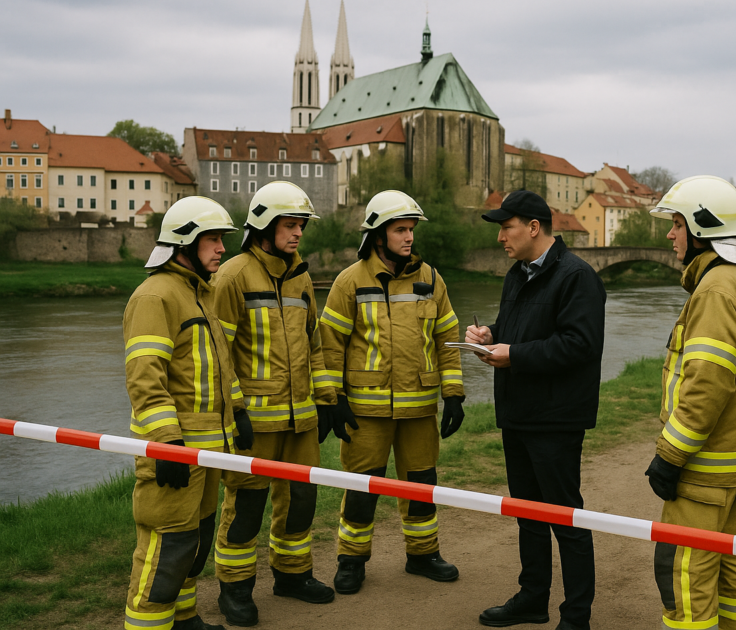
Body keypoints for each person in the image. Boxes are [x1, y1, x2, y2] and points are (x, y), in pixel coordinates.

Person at [466, 190, 605, 630]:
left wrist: (516, 355)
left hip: (556, 419)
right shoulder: (516, 275)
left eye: (506, 227)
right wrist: (491, 333)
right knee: (527, 512)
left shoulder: (577, 276)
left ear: (533, 227)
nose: (501, 236)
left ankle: (576, 616)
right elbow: (517, 328)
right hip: (518, 413)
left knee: (566, 517)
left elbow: (580, 346)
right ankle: (532, 599)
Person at [643, 176, 736, 630]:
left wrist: (670, 455)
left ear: (703, 229)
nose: (670, 234)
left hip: (704, 469)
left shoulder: (716, 290)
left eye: (677, 224)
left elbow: (707, 384)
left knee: (684, 577)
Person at [318, 189, 466, 595]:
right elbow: (329, 345)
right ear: (379, 234)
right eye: (400, 229)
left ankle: (422, 555)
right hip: (365, 411)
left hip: (419, 408)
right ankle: (351, 560)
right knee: (362, 487)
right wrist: (334, 400)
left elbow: (447, 338)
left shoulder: (431, 279)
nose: (409, 237)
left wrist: (453, 393)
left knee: (421, 484)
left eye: (411, 229)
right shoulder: (349, 282)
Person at [211, 182, 342, 626]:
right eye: (291, 224)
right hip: (254, 424)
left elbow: (315, 343)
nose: (299, 233)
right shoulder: (232, 275)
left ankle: (292, 575)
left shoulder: (302, 277)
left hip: (300, 419)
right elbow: (219, 354)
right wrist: (236, 412)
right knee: (246, 508)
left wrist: (326, 398)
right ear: (264, 227)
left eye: (302, 225)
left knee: (302, 501)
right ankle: (234, 590)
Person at [122, 196, 251, 630]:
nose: (221, 248)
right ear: (183, 244)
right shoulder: (155, 296)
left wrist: (238, 411)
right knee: (166, 548)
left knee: (194, 545)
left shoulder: (200, 292)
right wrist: (166, 443)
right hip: (178, 449)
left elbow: (218, 365)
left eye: (222, 239)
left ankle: (184, 618)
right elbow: (145, 376)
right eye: (212, 239)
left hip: (210, 448)